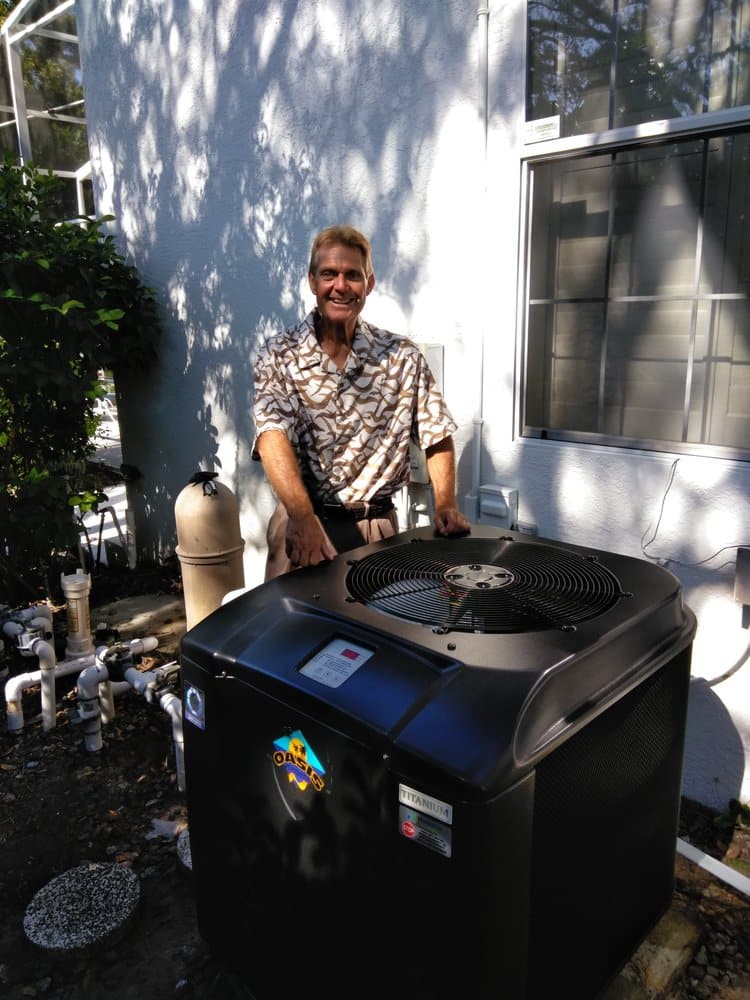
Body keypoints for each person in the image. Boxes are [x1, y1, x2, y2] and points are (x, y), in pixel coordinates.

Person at [252, 224, 470, 580]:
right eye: (328, 274)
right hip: (306, 524)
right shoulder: (280, 355)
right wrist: (302, 517)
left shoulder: (402, 357)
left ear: (369, 283)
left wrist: (445, 504)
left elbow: (437, 432)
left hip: (378, 530)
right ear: (312, 281)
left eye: (352, 275)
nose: (340, 286)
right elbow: (272, 437)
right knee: (296, 632)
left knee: (377, 632)